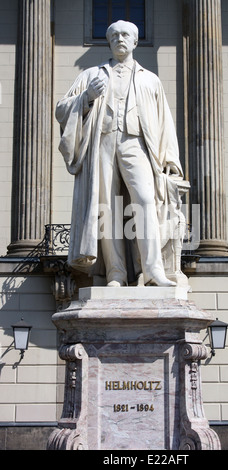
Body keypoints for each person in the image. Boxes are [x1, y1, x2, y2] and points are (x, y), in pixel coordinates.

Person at [56, 20, 183, 287]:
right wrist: (87, 98)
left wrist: (170, 158)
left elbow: (164, 121)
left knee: (146, 202)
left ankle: (152, 270)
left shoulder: (151, 79)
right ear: (109, 41)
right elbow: (61, 109)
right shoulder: (92, 75)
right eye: (113, 35)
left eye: (125, 35)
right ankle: (116, 273)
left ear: (135, 41)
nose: (119, 39)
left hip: (137, 143)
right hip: (103, 142)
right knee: (107, 208)